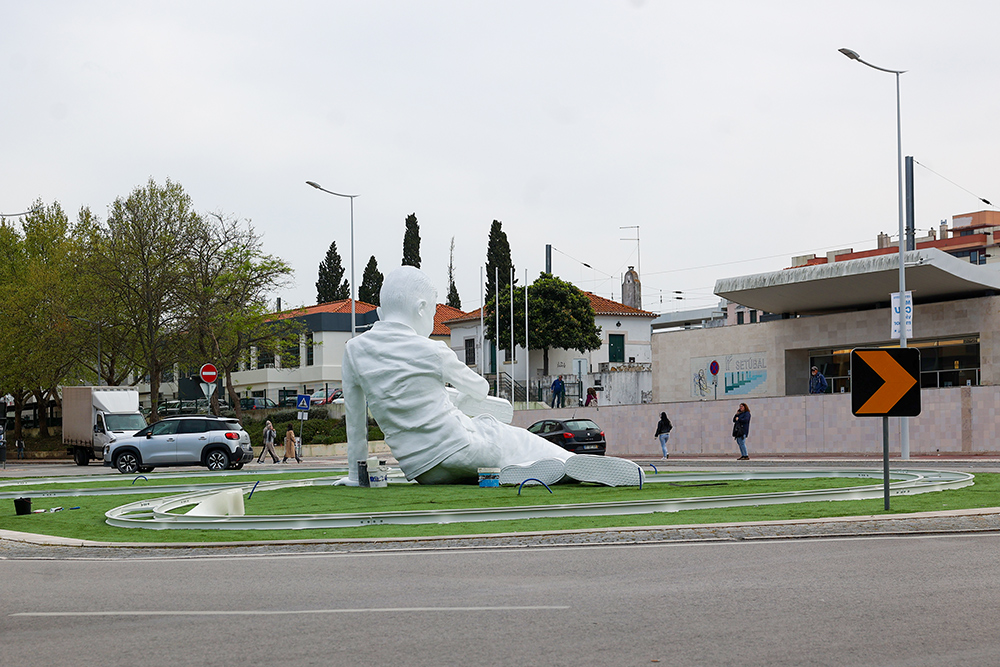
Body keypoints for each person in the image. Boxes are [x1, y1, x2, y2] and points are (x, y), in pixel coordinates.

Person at [341, 265, 644, 487]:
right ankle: (564, 466)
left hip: (422, 471)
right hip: (462, 447)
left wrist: (355, 476)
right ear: (421, 308)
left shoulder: (354, 351)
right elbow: (480, 385)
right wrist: (461, 397)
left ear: (380, 312)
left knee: (494, 444)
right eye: (433, 313)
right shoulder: (432, 351)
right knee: (521, 439)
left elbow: (355, 425)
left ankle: (511, 469)